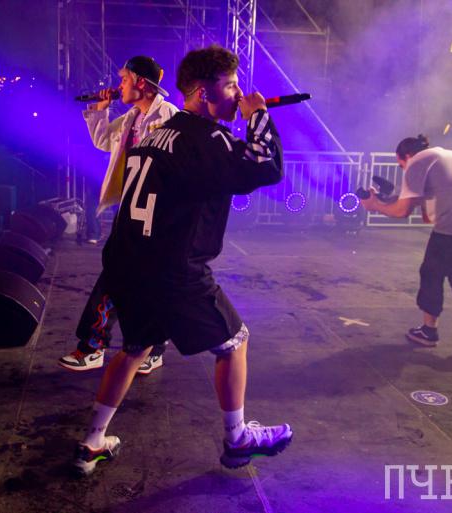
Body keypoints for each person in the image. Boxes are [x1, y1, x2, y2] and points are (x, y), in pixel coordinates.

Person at [72, 44, 293, 476]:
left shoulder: (155, 135)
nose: (238, 93)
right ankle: (237, 439)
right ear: (203, 92)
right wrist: (257, 116)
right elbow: (265, 166)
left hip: (129, 262)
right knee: (234, 341)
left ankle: (92, 440)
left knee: (134, 348)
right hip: (173, 268)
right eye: (230, 85)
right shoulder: (207, 138)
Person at [59, 56, 178, 374]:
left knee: (147, 281)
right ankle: (96, 345)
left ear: (141, 83)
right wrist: (101, 109)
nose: (119, 84)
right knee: (118, 274)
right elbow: (102, 141)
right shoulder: (130, 118)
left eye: (124, 79)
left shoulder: (169, 116)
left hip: (157, 215)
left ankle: (138, 347)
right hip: (130, 209)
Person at [360, 134, 452, 353]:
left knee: (431, 272)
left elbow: (402, 212)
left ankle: (429, 331)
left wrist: (375, 206)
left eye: (401, 166)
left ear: (406, 156)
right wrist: (390, 200)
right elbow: (426, 214)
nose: (404, 171)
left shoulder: (416, 162)